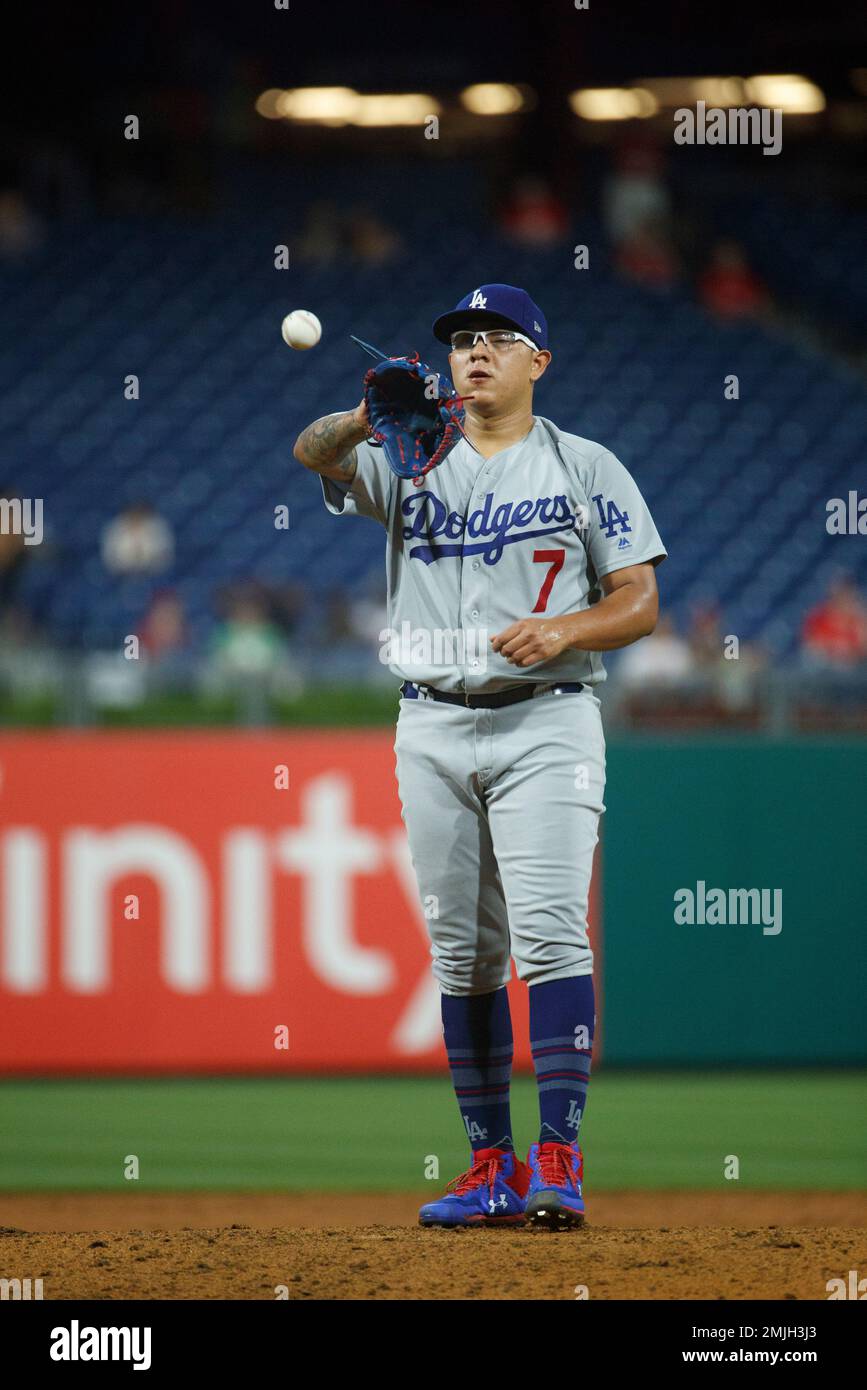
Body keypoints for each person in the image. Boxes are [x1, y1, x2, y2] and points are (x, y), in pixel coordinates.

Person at [294, 283, 666, 1228]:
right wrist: (361, 415)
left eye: (498, 338)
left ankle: (560, 1157)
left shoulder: (586, 467)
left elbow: (638, 601)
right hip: (429, 722)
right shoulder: (410, 454)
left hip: (548, 719)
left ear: (538, 360)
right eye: (461, 340)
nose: (474, 352)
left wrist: (566, 628)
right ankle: (489, 1167)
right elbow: (309, 455)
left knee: (549, 934)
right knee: (462, 955)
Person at [101, 502, 174, 576]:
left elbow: (164, 553)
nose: (136, 517)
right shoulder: (116, 529)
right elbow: (110, 555)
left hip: (152, 573)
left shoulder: (156, 527)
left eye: (138, 514)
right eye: (133, 515)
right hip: (123, 574)